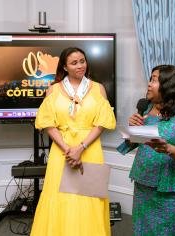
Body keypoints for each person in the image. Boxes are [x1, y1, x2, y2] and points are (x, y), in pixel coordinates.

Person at [30, 47, 116, 236]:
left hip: (90, 149)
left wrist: (81, 147)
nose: (80, 66)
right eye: (74, 63)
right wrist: (68, 149)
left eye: (82, 61)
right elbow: (48, 123)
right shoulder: (53, 89)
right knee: (59, 197)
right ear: (64, 66)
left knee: (89, 198)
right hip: (62, 152)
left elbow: (102, 122)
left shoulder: (98, 88)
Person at [117, 65, 175, 235]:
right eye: (150, 79)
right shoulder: (146, 109)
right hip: (143, 182)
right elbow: (136, 141)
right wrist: (132, 129)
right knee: (142, 229)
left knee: (168, 231)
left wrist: (170, 149)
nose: (149, 84)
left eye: (154, 80)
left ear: (169, 85)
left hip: (170, 188)